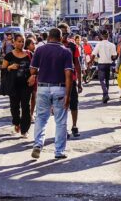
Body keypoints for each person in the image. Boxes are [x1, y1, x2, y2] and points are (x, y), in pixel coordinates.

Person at [28, 28, 73, 160]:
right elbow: (69, 75)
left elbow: (32, 70)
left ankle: (37, 144)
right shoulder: (66, 51)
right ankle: (59, 152)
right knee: (60, 121)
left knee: (41, 118)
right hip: (59, 88)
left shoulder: (40, 50)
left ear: (48, 37)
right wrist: (68, 95)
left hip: (42, 88)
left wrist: (36, 72)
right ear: (60, 37)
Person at [2, 33, 34, 137]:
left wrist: (33, 76)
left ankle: (24, 130)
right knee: (14, 107)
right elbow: (3, 70)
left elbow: (35, 68)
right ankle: (16, 122)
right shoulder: (9, 55)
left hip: (26, 85)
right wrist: (10, 67)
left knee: (26, 107)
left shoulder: (29, 54)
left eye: (22, 42)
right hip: (13, 85)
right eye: (19, 41)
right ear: (14, 42)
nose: (21, 43)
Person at [58, 23, 83, 137]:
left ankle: (74, 126)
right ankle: (63, 128)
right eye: (62, 33)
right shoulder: (54, 45)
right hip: (58, 80)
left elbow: (77, 64)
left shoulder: (72, 46)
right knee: (61, 106)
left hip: (71, 79)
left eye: (66, 33)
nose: (63, 36)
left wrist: (80, 82)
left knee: (74, 104)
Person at [92, 31, 117, 103]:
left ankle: (105, 94)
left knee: (101, 80)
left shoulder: (99, 44)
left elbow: (93, 54)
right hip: (108, 64)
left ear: (102, 36)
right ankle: (105, 95)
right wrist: (112, 59)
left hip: (101, 63)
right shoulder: (112, 45)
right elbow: (114, 56)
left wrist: (91, 61)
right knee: (107, 80)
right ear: (108, 36)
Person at [25, 37, 37, 122]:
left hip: (34, 78)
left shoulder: (34, 53)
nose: (34, 45)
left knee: (34, 96)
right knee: (26, 98)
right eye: (33, 44)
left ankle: (31, 114)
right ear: (28, 45)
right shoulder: (25, 54)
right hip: (25, 79)